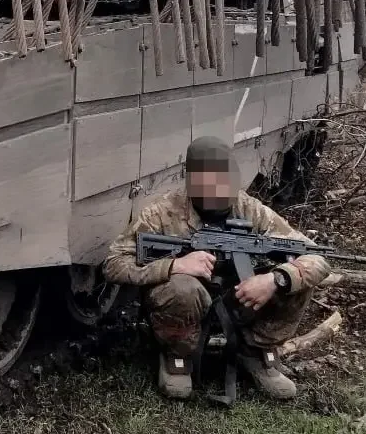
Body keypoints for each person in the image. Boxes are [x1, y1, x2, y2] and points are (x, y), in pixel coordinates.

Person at [103, 136, 329, 402]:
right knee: (182, 287)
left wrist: (275, 279)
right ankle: (178, 356)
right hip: (187, 307)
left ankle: (256, 351)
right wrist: (174, 265)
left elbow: (315, 256)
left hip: (238, 300)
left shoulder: (250, 210)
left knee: (297, 277)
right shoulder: (162, 213)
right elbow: (114, 263)